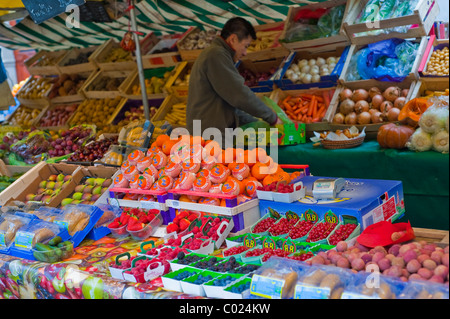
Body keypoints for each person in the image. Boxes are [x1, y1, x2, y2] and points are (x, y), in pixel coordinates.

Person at [186, 17, 282, 147]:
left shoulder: (218, 54)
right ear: (233, 39)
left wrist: (256, 123)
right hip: (210, 136)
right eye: (245, 46)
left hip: (212, 133)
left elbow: (230, 102)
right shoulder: (216, 55)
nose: (245, 53)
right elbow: (239, 94)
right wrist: (272, 117)